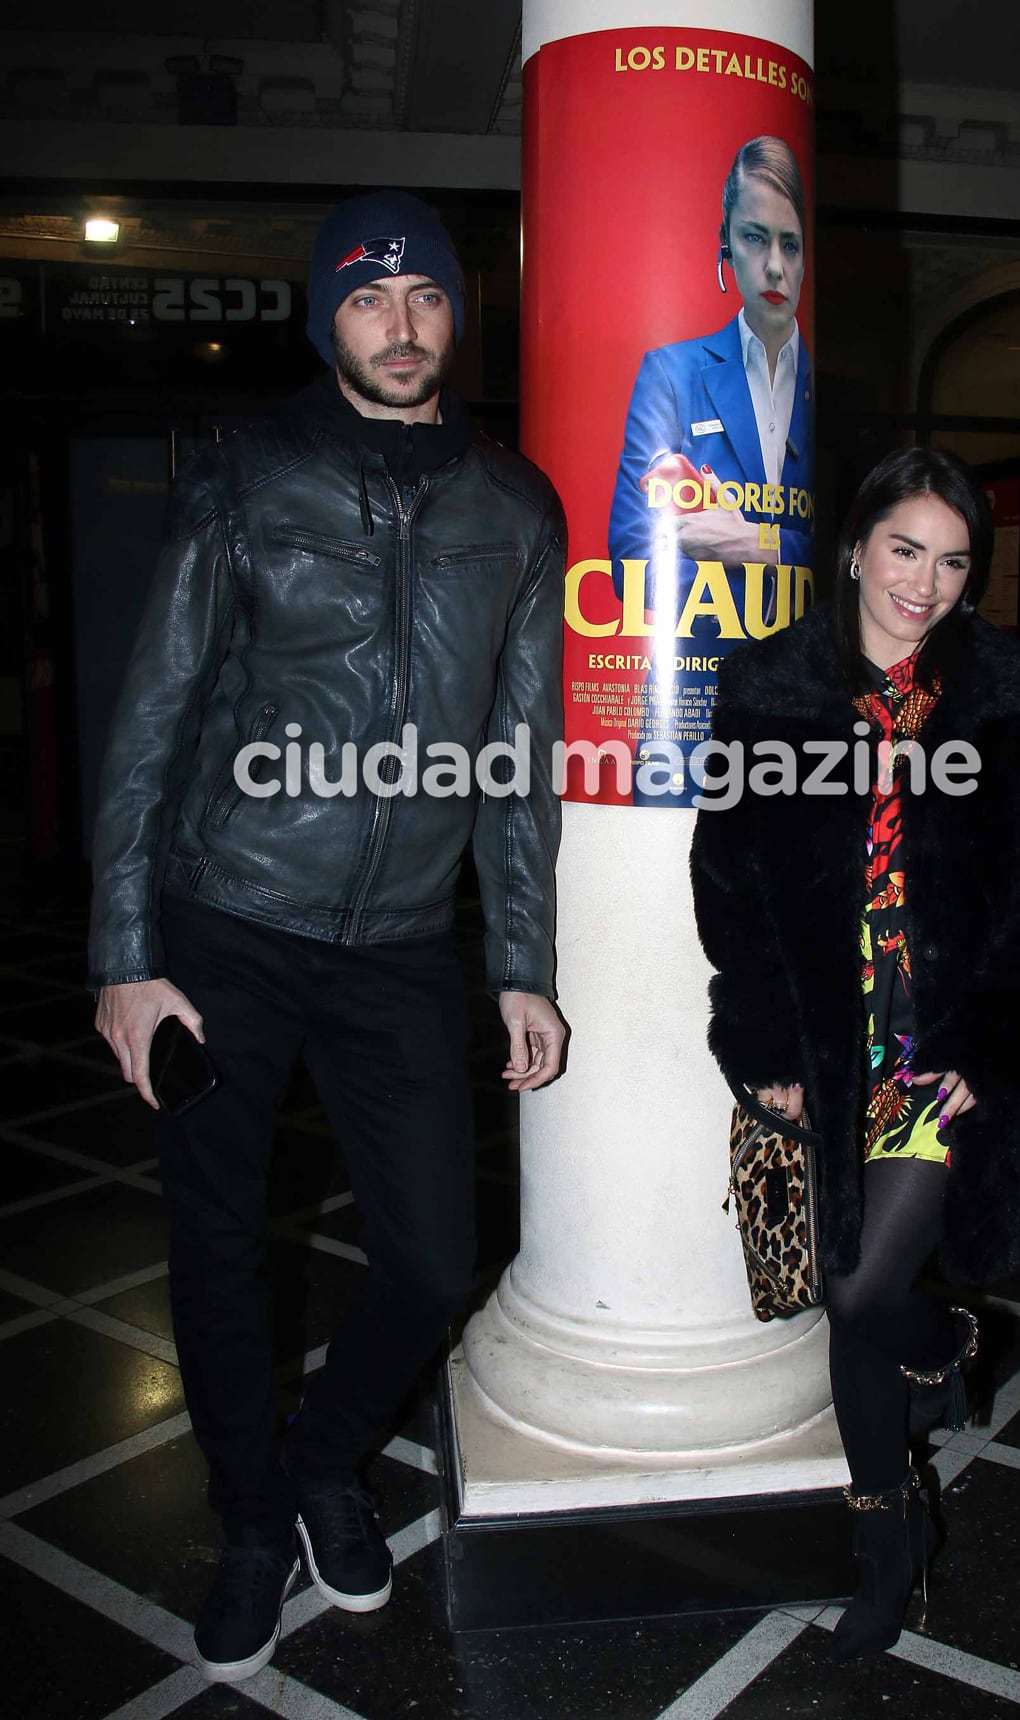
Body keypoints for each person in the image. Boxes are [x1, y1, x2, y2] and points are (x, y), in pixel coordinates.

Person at [89, 189, 566, 1685]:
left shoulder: (517, 506)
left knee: (434, 1258)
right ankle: (246, 1523)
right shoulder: (249, 485)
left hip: (405, 944)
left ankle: (317, 1461)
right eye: (369, 299)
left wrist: (523, 965)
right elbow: (152, 721)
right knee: (221, 1242)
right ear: (327, 318)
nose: (401, 323)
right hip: (226, 923)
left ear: (453, 313)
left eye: (422, 295)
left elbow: (521, 754)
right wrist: (123, 954)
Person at [691, 447, 1020, 1660]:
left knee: (864, 1287)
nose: (924, 583)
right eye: (906, 549)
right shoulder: (769, 685)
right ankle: (887, 1543)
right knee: (843, 1300)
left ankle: (952, 1343)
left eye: (954, 559)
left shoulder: (1019, 693)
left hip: (944, 1045)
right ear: (858, 546)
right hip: (827, 1037)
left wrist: (997, 1033)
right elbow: (731, 871)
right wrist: (758, 1030)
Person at [608, 135, 813, 803]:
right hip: (688, 720)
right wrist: (774, 554)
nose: (774, 265)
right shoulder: (673, 371)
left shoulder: (829, 391)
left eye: (790, 242)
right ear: (726, 242)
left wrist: (752, 541)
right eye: (755, 238)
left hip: (807, 716)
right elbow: (632, 552)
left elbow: (853, 559)